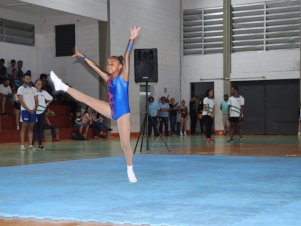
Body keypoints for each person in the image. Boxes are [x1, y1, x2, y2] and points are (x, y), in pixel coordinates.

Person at [50, 26, 141, 183]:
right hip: (111, 109)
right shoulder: (107, 77)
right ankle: (63, 86)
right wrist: (81, 55)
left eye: (112, 63)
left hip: (123, 114)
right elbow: (93, 66)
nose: (108, 65)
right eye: (108, 63)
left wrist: (131, 39)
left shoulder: (124, 76)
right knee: (87, 99)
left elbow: (127, 55)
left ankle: (130, 168)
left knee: (125, 145)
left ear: (120, 66)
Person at [17, 72, 38, 151]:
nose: (28, 80)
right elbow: (21, 101)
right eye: (26, 78)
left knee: (31, 128)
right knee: (24, 127)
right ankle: (22, 145)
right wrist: (28, 109)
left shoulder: (34, 89)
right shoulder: (20, 88)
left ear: (30, 79)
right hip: (25, 111)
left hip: (33, 111)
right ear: (23, 79)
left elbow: (36, 100)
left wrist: (34, 109)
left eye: (29, 78)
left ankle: (30, 145)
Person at [32, 79, 53, 150]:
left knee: (40, 129)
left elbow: (51, 98)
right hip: (33, 112)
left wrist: (46, 104)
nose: (39, 84)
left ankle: (40, 145)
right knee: (33, 129)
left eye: (40, 84)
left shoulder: (43, 92)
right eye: (37, 83)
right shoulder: (31, 91)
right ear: (35, 84)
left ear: (41, 85)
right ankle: (31, 145)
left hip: (41, 113)